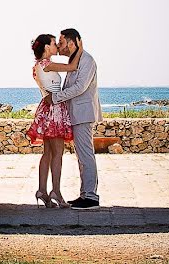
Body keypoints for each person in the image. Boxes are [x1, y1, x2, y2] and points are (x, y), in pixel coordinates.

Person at [43, 28, 103, 210]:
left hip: (83, 115)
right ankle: (85, 194)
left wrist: (55, 98)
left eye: (61, 43)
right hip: (76, 115)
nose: (59, 47)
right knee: (81, 156)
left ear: (72, 42)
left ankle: (91, 197)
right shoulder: (75, 62)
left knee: (86, 155)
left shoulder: (87, 61)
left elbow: (80, 87)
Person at [26, 33, 76, 208]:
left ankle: (42, 190)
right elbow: (72, 66)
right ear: (47, 47)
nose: (56, 46)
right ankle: (56, 191)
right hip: (54, 109)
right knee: (57, 153)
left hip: (47, 109)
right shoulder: (47, 64)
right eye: (55, 43)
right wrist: (74, 48)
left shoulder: (37, 66)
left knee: (47, 153)